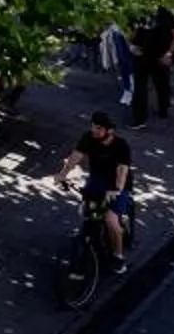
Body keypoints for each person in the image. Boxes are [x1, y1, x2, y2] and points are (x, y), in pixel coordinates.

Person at [54, 109, 135, 271]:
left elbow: (122, 170)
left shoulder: (121, 145)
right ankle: (91, 238)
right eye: (93, 126)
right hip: (97, 179)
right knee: (88, 211)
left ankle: (118, 257)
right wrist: (62, 174)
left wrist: (116, 190)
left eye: (98, 128)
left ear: (109, 130)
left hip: (118, 184)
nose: (94, 130)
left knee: (110, 221)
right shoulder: (88, 138)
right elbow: (75, 157)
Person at [129, 3, 174, 126]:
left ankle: (163, 108)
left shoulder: (165, 13)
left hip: (159, 55)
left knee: (162, 84)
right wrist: (132, 45)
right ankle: (139, 118)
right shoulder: (136, 10)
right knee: (140, 87)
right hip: (142, 54)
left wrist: (169, 53)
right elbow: (131, 30)